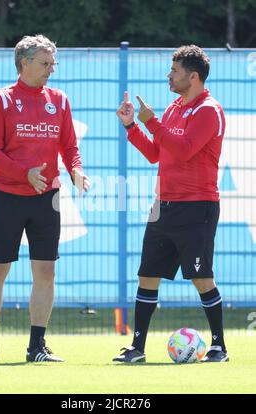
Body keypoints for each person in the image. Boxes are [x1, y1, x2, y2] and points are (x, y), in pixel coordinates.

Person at [0, 34, 89, 363]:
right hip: (8, 197)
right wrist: (23, 173)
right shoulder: (2, 99)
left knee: (46, 272)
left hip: (47, 198)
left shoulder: (60, 99)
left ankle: (37, 347)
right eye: (45, 63)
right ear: (24, 63)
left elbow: (69, 147)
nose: (51, 69)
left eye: (53, 63)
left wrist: (76, 170)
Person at [114, 45, 228, 363]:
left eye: (174, 71)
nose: (169, 75)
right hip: (162, 205)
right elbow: (157, 153)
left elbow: (185, 149)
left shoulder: (209, 110)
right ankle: (137, 348)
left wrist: (151, 122)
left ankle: (219, 346)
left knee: (201, 277)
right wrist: (131, 126)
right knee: (147, 275)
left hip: (197, 207)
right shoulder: (176, 107)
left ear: (193, 76)